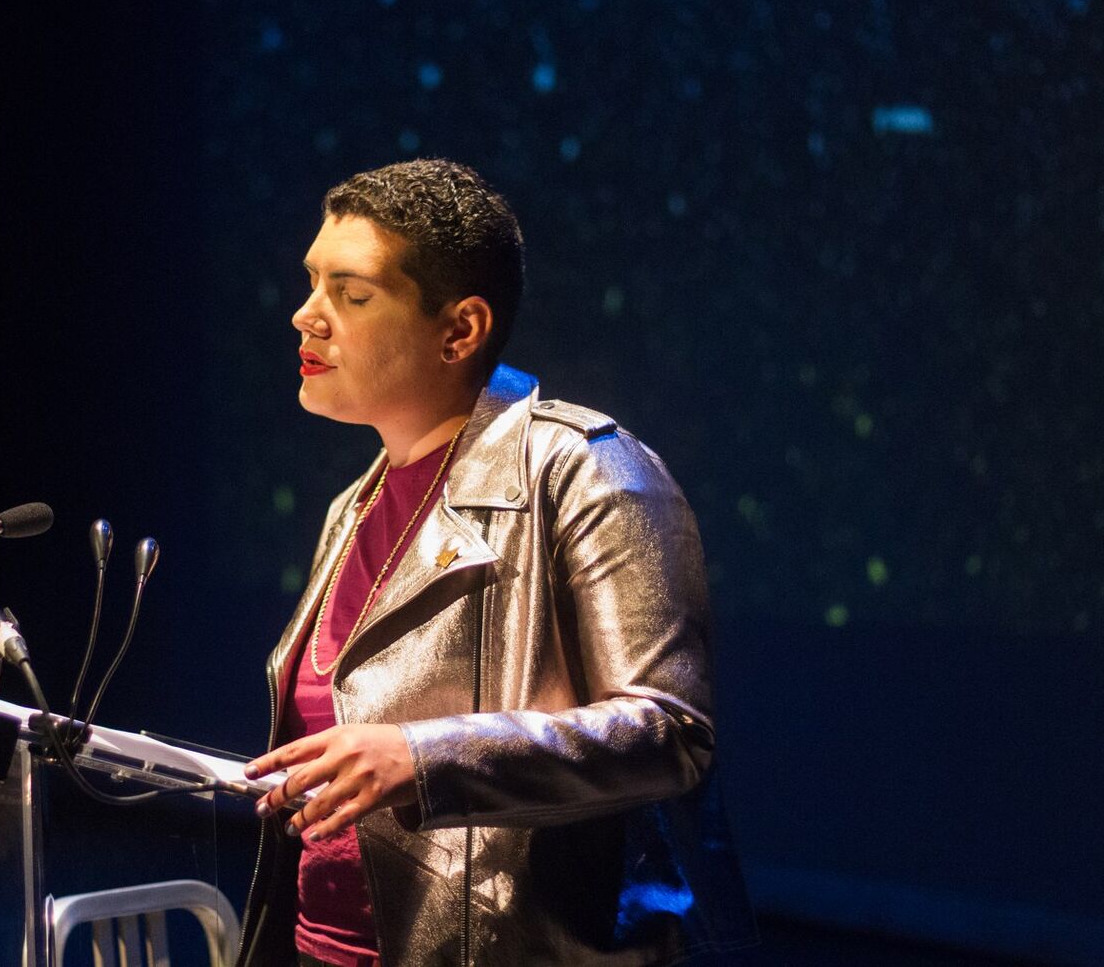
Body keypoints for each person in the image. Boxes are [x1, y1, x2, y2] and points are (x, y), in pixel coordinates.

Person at [237, 159, 756, 966]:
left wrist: (423, 755)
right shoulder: (353, 506)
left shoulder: (587, 470)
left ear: (460, 329)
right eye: (311, 284)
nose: (307, 316)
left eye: (352, 293)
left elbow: (668, 730)